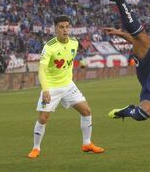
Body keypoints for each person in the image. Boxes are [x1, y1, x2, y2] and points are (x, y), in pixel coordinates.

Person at [27, 15, 104, 158]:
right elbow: (42, 70)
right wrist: (45, 89)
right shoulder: (49, 47)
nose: (65, 30)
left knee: (86, 111)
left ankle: (87, 143)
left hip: (68, 85)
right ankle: (36, 148)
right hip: (51, 87)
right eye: (61, 27)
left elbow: (68, 59)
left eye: (67, 26)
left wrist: (80, 64)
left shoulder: (74, 42)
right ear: (55, 29)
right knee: (43, 118)